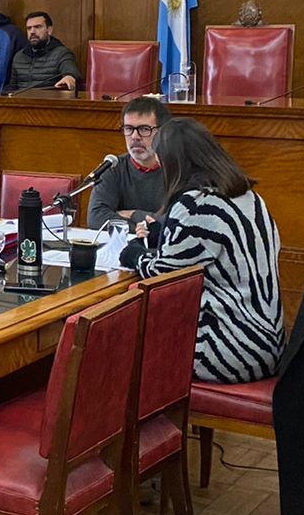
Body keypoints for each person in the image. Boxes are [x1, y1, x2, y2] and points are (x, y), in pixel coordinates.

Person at [121, 118, 284, 384]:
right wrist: (164, 233)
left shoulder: (196, 204)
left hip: (228, 350)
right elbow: (206, 245)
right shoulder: (248, 196)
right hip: (267, 344)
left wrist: (135, 255)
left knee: (117, 342)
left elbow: (163, 275)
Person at [88, 97, 173, 230]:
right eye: (128, 129)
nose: (134, 137)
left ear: (163, 132)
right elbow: (96, 217)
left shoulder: (180, 169)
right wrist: (145, 228)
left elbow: (179, 221)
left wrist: (134, 214)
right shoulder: (113, 167)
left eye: (144, 129)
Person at [5, 11, 80, 92]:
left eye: (37, 27)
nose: (32, 32)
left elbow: (71, 72)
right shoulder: (19, 56)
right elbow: (12, 88)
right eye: (29, 28)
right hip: (21, 99)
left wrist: (69, 77)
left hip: (48, 99)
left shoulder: (61, 53)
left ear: (49, 30)